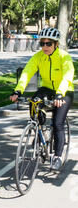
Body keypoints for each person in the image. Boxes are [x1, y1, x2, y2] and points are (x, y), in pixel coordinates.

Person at [10, 27, 75, 171]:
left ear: (56, 44)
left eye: (48, 44)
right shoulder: (38, 57)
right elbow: (27, 72)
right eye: (42, 43)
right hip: (46, 89)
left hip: (64, 91)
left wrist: (60, 94)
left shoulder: (64, 57)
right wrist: (18, 90)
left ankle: (57, 156)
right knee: (34, 102)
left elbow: (68, 76)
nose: (45, 47)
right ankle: (40, 130)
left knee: (58, 124)